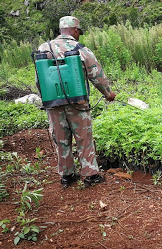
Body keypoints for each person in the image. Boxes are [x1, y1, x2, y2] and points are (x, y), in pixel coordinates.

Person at [37, 16, 116, 188]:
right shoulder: (81, 49)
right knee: (84, 138)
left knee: (61, 139)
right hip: (77, 102)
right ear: (74, 30)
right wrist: (108, 93)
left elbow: (40, 78)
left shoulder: (44, 47)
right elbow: (96, 76)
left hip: (53, 102)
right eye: (78, 31)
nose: (78, 34)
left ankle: (67, 175)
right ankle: (90, 175)